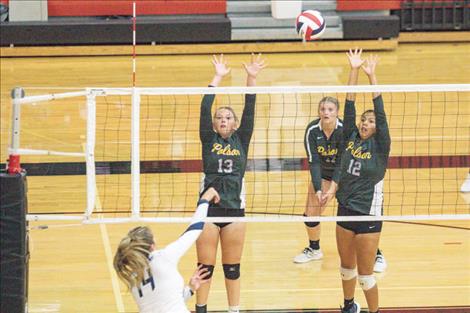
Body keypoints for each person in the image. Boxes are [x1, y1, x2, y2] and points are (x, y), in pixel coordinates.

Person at [293, 70, 387, 274]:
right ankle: (314, 248)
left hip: (349, 178)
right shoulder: (312, 131)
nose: (326, 113)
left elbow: (342, 162)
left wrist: (335, 186)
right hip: (326, 176)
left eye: (330, 109)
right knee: (311, 212)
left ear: (337, 112)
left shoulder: (346, 131)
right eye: (323, 109)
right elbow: (314, 162)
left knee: (360, 218)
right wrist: (319, 188)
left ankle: (376, 253)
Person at [195, 53, 266, 313]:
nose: (223, 119)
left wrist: (251, 77)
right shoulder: (208, 139)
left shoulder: (241, 139)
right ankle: (200, 309)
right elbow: (205, 107)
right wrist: (218, 77)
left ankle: (233, 310)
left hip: (235, 211)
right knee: (204, 267)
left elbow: (251, 105)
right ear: (214, 124)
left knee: (232, 269)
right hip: (208, 212)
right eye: (219, 117)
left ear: (235, 124)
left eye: (227, 117)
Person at [334, 49, 390, 313]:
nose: (365, 123)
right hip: (344, 208)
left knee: (366, 275)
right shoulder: (350, 137)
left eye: (370, 121)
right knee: (346, 269)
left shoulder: (381, 146)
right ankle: (348, 306)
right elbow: (349, 103)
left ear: (377, 127)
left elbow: (380, 110)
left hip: (368, 213)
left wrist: (372, 75)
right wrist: (354, 70)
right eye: (363, 120)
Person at [113, 187, 220, 313]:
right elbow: (194, 230)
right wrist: (205, 199)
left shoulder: (134, 278)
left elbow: (164, 304)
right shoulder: (162, 258)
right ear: (152, 246)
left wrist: (190, 289)